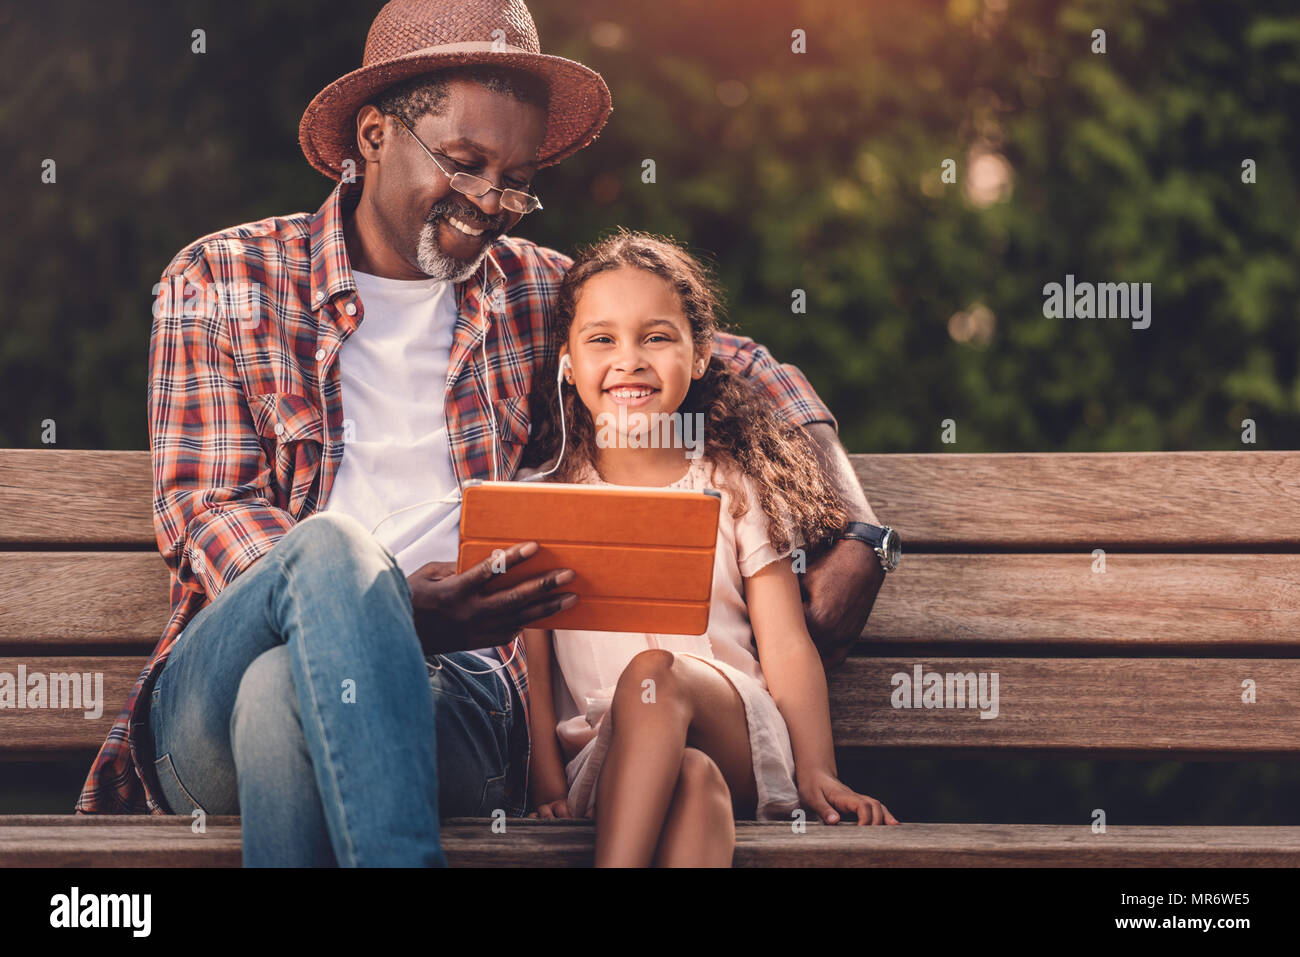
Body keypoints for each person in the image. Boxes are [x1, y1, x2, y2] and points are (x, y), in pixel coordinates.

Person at [74, 0, 891, 867]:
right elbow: (203, 504)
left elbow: (734, 360)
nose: (492, 203)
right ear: (375, 133)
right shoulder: (224, 277)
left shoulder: (533, 292)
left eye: (515, 178)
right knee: (332, 558)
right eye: (465, 163)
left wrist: (864, 528)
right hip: (217, 691)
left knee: (287, 696)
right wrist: (376, 611)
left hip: (451, 699)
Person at [519, 230, 899, 867]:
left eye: (657, 336)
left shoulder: (731, 484)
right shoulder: (545, 496)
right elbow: (531, 656)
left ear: (699, 357)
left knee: (654, 676)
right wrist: (547, 784)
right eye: (602, 339)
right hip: (603, 756)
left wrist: (817, 770)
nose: (630, 359)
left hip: (736, 732)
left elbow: (784, 643)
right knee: (692, 781)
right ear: (568, 361)